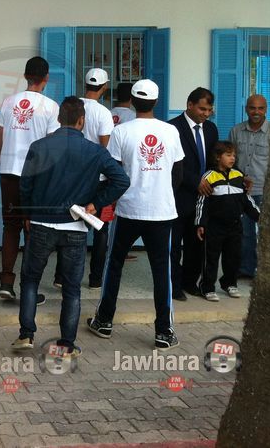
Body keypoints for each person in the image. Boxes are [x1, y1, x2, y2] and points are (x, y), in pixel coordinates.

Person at [12, 97, 129, 353]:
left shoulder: (39, 146)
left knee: (30, 280)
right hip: (75, 226)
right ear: (82, 120)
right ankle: (66, 344)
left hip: (41, 222)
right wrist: (96, 203)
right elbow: (121, 180)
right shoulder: (95, 151)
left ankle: (26, 335)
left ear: (58, 119)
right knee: (72, 289)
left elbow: (25, 185)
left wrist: (28, 215)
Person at [88, 79, 185, 350]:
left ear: (131, 101)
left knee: (114, 264)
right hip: (161, 212)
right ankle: (163, 331)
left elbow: (113, 172)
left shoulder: (121, 131)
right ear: (156, 102)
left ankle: (104, 320)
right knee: (161, 270)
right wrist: (160, 192)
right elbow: (178, 174)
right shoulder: (170, 131)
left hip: (129, 209)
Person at [0, 57, 60, 300]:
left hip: (9, 173)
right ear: (46, 78)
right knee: (34, 230)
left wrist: (6, 165)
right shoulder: (51, 107)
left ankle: (6, 282)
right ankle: (28, 290)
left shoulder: (8, 102)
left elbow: (0, 142)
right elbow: (51, 148)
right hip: (36, 177)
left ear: (25, 76)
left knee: (11, 227)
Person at [168, 88, 218, 301]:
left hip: (203, 199)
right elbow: (171, 164)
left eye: (209, 110)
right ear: (190, 105)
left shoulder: (211, 129)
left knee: (196, 244)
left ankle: (190, 282)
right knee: (174, 245)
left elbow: (215, 160)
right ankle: (174, 285)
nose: (206, 114)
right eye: (202, 109)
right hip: (179, 196)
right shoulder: (172, 128)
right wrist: (195, 181)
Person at [195, 141, 259, 301]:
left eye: (234, 155)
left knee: (233, 257)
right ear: (218, 157)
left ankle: (230, 283)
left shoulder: (238, 176)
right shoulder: (209, 176)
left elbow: (247, 200)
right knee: (211, 258)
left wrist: (260, 217)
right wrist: (200, 223)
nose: (232, 158)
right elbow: (202, 202)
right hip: (214, 226)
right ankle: (207, 287)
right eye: (228, 155)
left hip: (235, 226)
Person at [76, 68, 115, 289]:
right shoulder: (103, 113)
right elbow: (105, 147)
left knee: (73, 226)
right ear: (104, 87)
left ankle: (64, 276)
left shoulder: (74, 107)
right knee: (101, 229)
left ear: (85, 84)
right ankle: (95, 278)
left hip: (75, 176)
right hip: (98, 178)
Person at [229, 94, 269, 278]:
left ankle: (265, 272)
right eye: (252, 107)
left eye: (260, 108)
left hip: (267, 192)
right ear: (246, 109)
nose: (256, 112)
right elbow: (229, 160)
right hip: (243, 191)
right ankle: (246, 269)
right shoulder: (236, 131)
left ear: (266, 110)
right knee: (245, 232)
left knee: (267, 234)